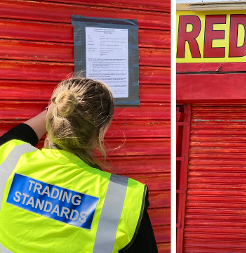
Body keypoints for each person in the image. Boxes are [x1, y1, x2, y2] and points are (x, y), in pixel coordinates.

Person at [0, 77, 158, 253]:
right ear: (102, 131)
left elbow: (16, 136)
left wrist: (53, 111)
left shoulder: (9, 157)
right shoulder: (125, 200)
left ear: (53, 113)